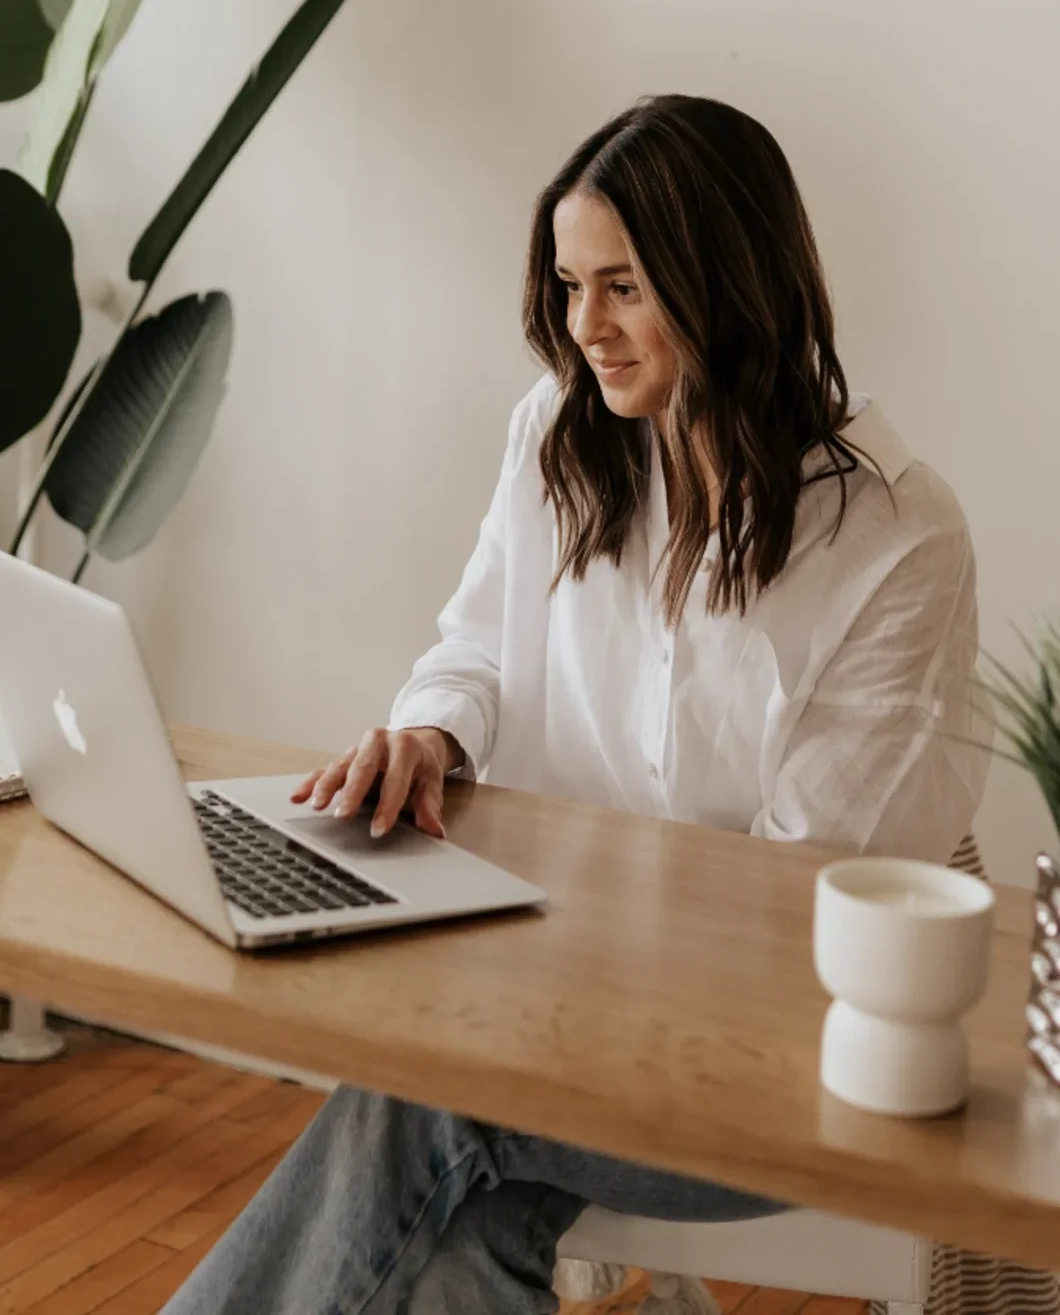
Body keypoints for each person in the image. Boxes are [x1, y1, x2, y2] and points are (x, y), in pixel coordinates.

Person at [162, 95, 988, 1315]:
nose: (581, 328)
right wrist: (432, 732)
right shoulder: (559, 435)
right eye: (566, 285)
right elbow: (477, 648)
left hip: (773, 1066)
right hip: (554, 1002)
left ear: (730, 282)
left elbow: (801, 900)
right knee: (457, 1230)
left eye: (622, 288)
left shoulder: (896, 540)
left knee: (421, 1097)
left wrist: (560, 979)